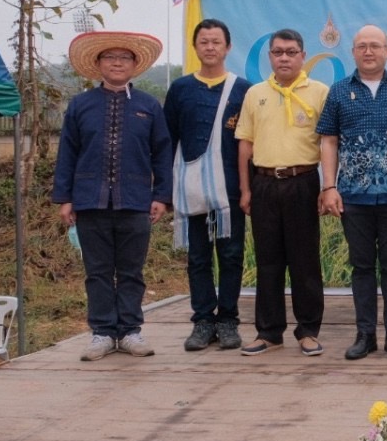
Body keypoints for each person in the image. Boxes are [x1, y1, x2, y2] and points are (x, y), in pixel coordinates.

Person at [53, 31, 172, 361]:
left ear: (135, 65)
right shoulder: (81, 105)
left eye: (125, 58)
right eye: (110, 57)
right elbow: (68, 153)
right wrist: (65, 197)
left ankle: (131, 331)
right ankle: (102, 332)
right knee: (98, 271)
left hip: (136, 201)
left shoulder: (148, 106)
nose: (117, 63)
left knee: (132, 270)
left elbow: (162, 153)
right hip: (90, 201)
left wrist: (161, 195)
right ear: (98, 64)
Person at [317, 24, 387, 361]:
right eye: (362, 46)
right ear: (353, 52)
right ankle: (365, 334)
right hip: (353, 196)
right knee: (361, 266)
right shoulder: (339, 92)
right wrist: (329, 185)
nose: (369, 51)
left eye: (375, 45)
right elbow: (328, 139)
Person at [234, 28, 329, 357]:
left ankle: (308, 330)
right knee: (268, 261)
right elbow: (245, 144)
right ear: (270, 57)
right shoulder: (255, 93)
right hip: (263, 184)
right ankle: (269, 331)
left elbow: (330, 144)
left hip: (302, 182)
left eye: (291, 51)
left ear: (303, 55)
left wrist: (327, 186)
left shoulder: (319, 92)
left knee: (305, 261)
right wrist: (246, 189)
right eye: (278, 52)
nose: (284, 57)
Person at [163, 19, 251, 352]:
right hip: (190, 188)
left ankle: (228, 320)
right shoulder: (181, 89)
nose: (210, 47)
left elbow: (250, 144)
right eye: (204, 42)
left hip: (230, 188)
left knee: (231, 255)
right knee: (198, 256)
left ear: (228, 47)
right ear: (195, 47)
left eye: (216, 42)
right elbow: (168, 139)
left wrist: (248, 189)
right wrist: (164, 190)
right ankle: (202, 320)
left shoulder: (242, 89)